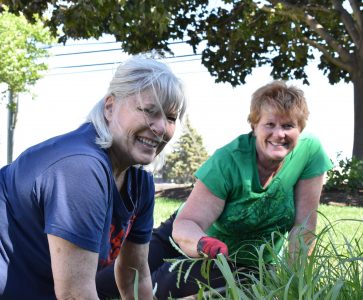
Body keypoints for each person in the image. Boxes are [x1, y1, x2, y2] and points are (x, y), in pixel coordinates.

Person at [0, 56, 186, 299]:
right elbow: (75, 294)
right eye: (148, 111)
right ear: (110, 107)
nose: (161, 128)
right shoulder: (80, 169)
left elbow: (134, 275)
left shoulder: (140, 184)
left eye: (170, 118)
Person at [152, 80, 332, 299]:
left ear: (300, 129)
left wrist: (290, 282)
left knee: (164, 286)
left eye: (288, 126)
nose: (279, 134)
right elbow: (186, 224)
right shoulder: (227, 161)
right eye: (270, 124)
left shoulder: (309, 153)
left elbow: (303, 227)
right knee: (114, 280)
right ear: (254, 125)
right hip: (191, 238)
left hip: (242, 266)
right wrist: (206, 244)